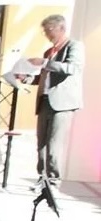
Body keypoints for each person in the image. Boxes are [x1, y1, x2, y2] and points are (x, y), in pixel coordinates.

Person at [28, 14, 84, 186]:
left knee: (54, 144)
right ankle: (42, 177)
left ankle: (53, 179)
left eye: (49, 30)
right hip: (45, 101)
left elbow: (71, 68)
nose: (47, 34)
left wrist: (45, 62)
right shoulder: (49, 51)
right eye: (45, 31)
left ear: (61, 28)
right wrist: (27, 78)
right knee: (41, 143)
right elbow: (45, 76)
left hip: (62, 103)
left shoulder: (74, 46)